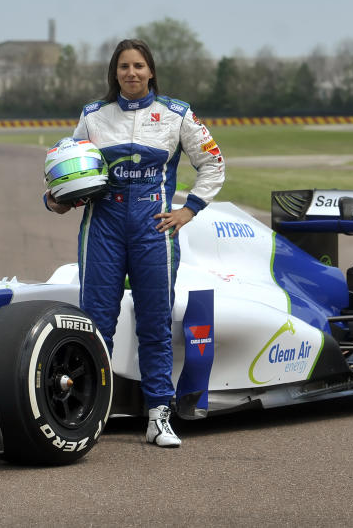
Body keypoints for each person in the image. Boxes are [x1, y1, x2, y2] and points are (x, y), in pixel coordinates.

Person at [44, 38, 225, 447]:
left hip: (154, 230)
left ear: (151, 71)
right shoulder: (93, 116)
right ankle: (89, 413)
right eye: (124, 67)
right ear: (115, 73)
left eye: (139, 66)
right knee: (95, 325)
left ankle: (158, 414)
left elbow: (214, 162)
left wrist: (189, 209)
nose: (131, 73)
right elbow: (67, 171)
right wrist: (56, 199)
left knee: (155, 324)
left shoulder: (177, 114)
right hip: (102, 228)